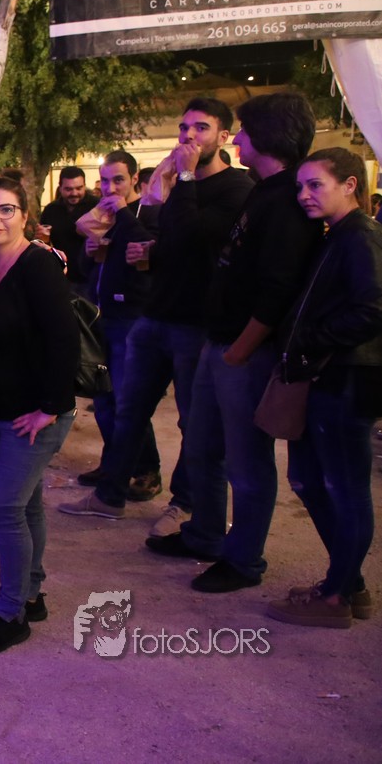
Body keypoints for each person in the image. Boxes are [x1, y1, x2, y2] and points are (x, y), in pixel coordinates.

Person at [148, 92, 320, 594]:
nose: (237, 137)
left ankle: (243, 560)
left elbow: (278, 289)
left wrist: (242, 349)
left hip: (242, 350)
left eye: (243, 129)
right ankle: (204, 534)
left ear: (266, 135)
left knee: (246, 460)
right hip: (218, 340)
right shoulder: (265, 190)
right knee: (203, 445)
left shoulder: (285, 200)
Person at [59, 98, 253, 536]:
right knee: (128, 410)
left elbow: (194, 234)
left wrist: (182, 178)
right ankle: (110, 495)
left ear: (224, 137)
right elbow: (168, 241)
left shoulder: (235, 188)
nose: (188, 137)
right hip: (154, 315)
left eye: (201, 128)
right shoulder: (171, 185)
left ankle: (183, 504)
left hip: (196, 322)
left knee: (193, 422)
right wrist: (149, 251)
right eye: (184, 128)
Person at [0, 176, 78, 654]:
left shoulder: (38, 265)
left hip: (35, 413)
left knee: (6, 507)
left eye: (6, 209)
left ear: (25, 215)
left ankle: (11, 615)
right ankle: (30, 593)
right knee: (27, 505)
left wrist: (50, 407)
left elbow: (64, 339)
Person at [267, 148, 382, 627]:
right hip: (326, 378)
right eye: (300, 186)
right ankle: (348, 585)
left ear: (350, 185)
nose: (304, 195)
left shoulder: (361, 236)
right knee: (309, 480)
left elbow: (373, 309)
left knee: (343, 488)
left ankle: (336, 598)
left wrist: (313, 338)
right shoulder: (338, 235)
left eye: (315, 184)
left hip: (348, 379)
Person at [75, 151, 163, 498]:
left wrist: (123, 212)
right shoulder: (103, 216)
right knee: (104, 399)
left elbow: (150, 253)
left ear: (135, 178)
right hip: (101, 315)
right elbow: (86, 268)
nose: (110, 188)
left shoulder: (149, 212)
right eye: (105, 181)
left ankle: (147, 470)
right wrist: (89, 249)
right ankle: (114, 463)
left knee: (130, 401)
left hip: (132, 319)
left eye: (118, 180)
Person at [38, 167, 97, 291]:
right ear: (60, 188)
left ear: (85, 186)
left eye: (79, 188)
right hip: (61, 277)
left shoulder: (96, 206)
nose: (74, 193)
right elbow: (44, 243)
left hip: (92, 278)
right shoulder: (51, 209)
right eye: (68, 189)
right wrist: (41, 238)